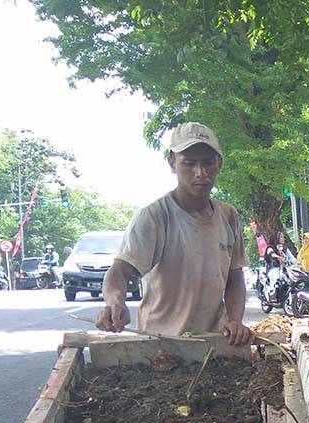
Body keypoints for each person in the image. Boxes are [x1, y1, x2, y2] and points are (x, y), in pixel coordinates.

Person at [95, 122, 252, 345]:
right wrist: (115, 302)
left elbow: (235, 280)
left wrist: (235, 321)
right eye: (189, 163)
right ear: (172, 163)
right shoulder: (153, 217)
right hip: (161, 344)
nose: (200, 173)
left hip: (214, 345)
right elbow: (119, 272)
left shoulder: (229, 216)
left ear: (219, 164)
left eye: (208, 163)